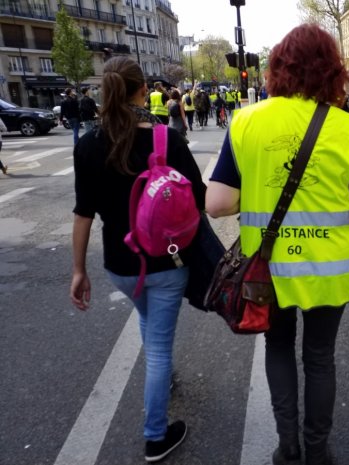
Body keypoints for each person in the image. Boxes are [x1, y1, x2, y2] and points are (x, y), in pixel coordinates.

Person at [206, 24, 349, 465]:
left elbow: (218, 204)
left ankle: (288, 447)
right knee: (320, 358)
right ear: (332, 73)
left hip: (269, 270)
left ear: (277, 69)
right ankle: (318, 451)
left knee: (278, 348)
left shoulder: (247, 121)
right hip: (331, 270)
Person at [69, 56, 206, 462]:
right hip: (166, 261)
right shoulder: (167, 140)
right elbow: (198, 199)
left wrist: (78, 270)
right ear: (143, 89)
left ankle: (160, 385)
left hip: (119, 265)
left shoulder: (88, 145)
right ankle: (155, 435)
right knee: (160, 348)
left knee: (148, 320)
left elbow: (82, 214)